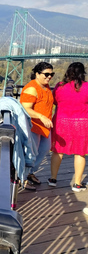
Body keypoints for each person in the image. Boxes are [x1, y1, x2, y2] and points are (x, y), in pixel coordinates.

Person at [49, 62, 88, 192]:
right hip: (81, 123)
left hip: (61, 122)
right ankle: (77, 184)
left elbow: (54, 101)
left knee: (58, 150)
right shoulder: (87, 87)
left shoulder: (59, 86)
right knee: (80, 153)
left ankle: (53, 179)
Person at [19, 62, 55, 190]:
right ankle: (23, 178)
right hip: (33, 126)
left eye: (51, 74)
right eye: (46, 74)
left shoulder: (46, 86)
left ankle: (30, 173)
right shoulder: (32, 88)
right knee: (30, 153)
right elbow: (25, 108)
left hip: (44, 126)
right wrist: (41, 116)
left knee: (44, 149)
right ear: (37, 74)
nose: (49, 77)